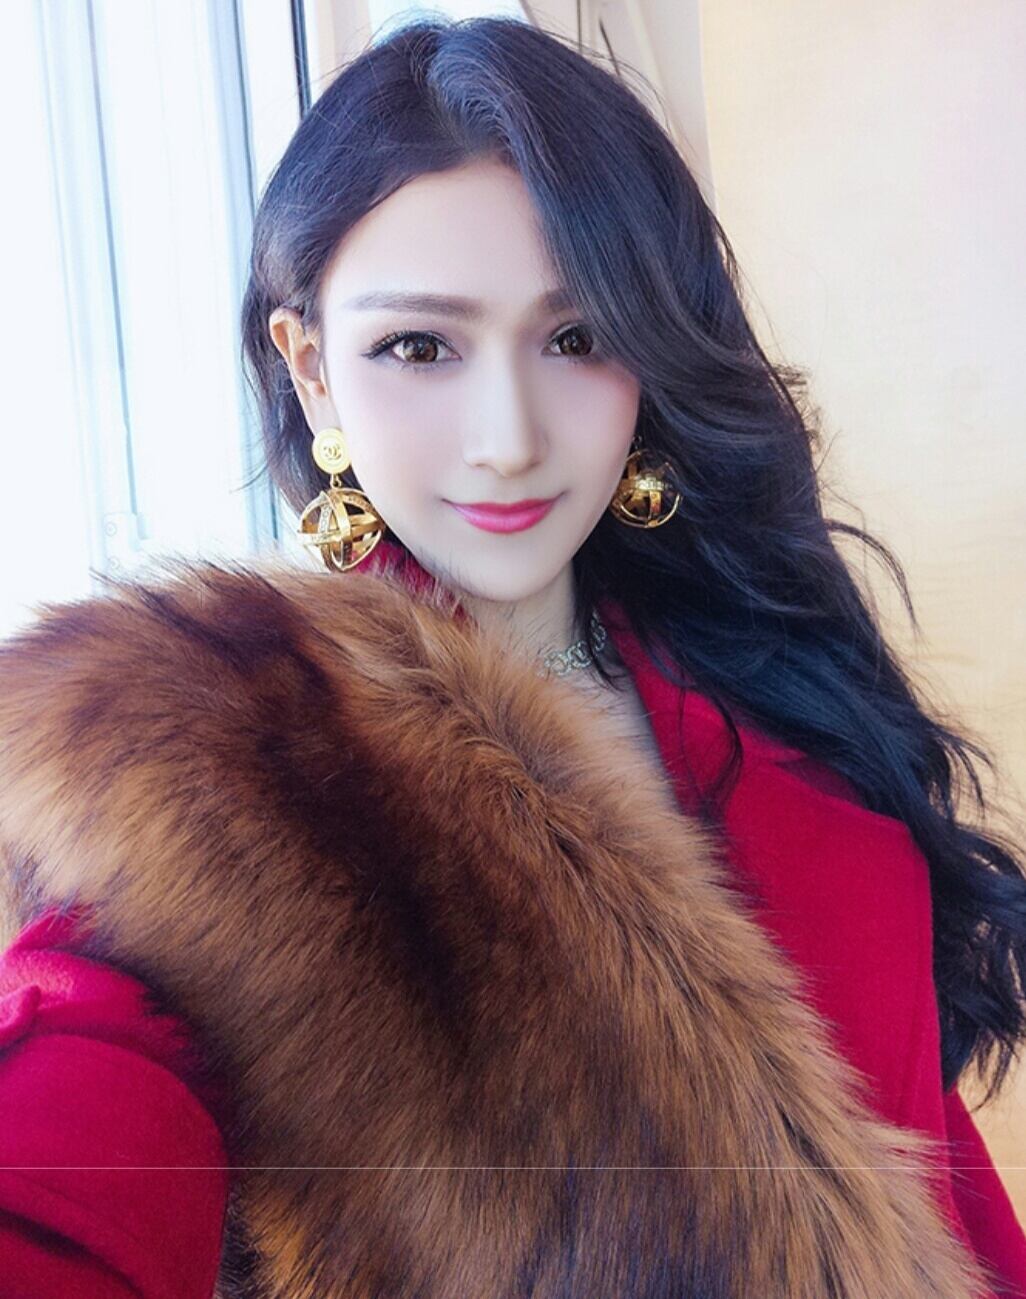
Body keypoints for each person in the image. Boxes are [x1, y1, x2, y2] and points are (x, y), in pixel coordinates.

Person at [1, 13, 1024, 1297]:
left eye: (576, 337)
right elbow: (74, 1125)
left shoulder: (769, 672)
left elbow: (922, 1172)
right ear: (311, 370)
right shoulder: (205, 760)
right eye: (418, 347)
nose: (509, 438)